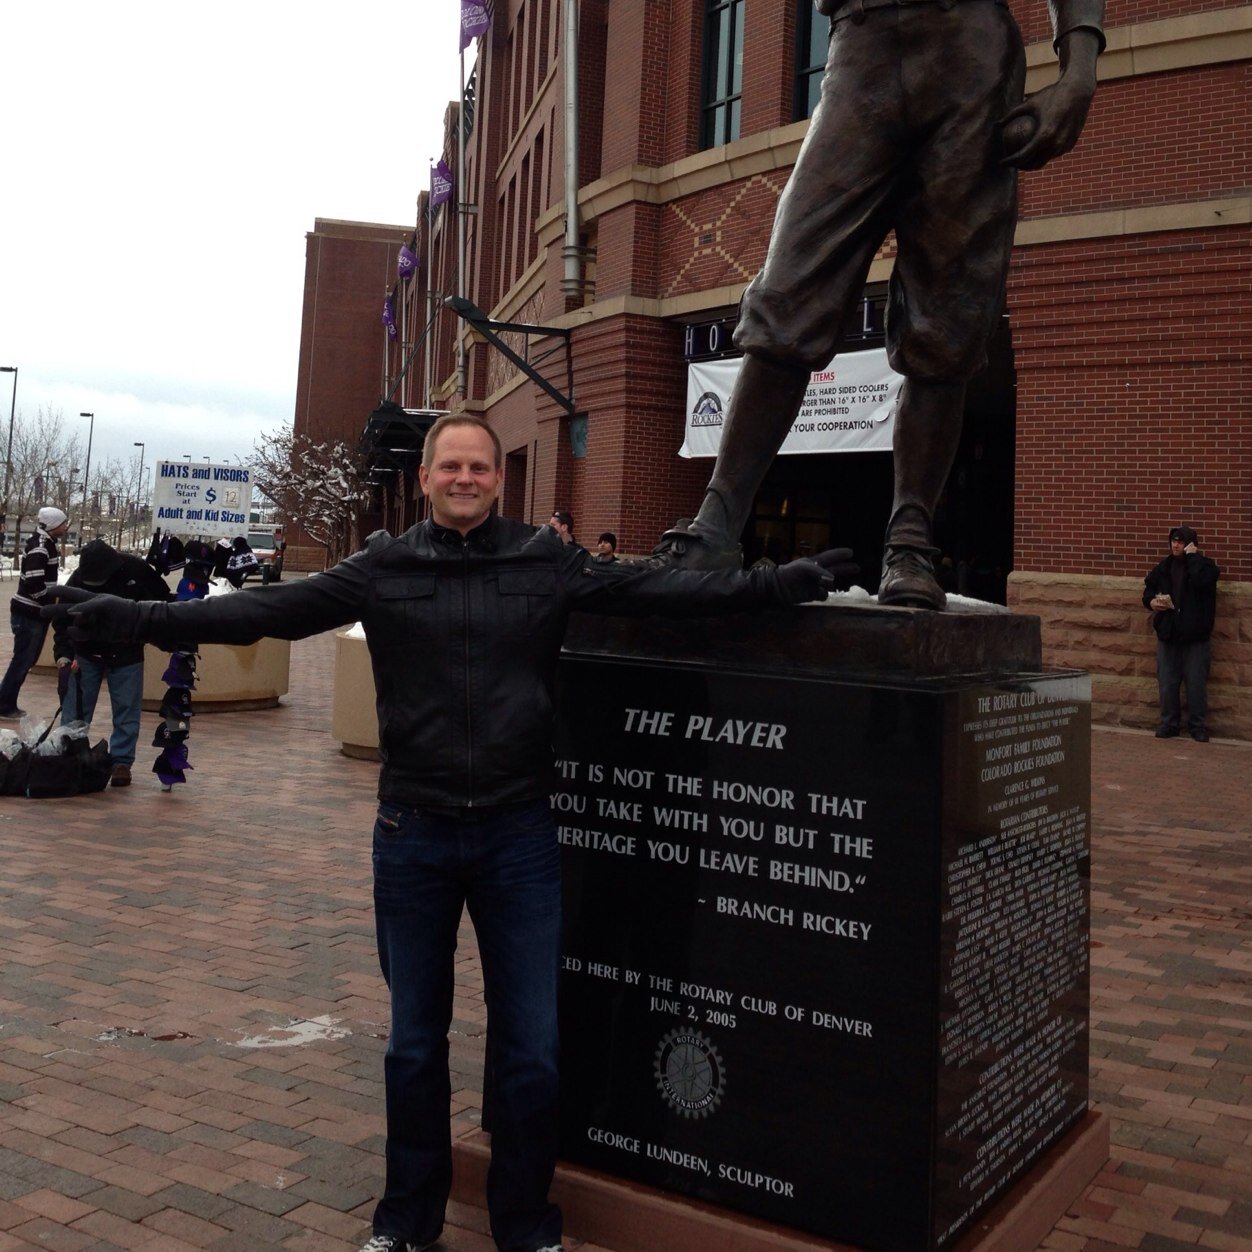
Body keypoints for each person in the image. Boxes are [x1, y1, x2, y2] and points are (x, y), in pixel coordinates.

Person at [46, 415, 847, 1252]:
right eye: (450, 466)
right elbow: (264, 613)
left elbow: (661, 592)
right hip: (414, 835)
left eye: (479, 467)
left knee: (533, 1050)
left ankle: (526, 1225)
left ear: (500, 481)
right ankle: (406, 1222)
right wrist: (133, 616)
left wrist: (775, 582)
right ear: (426, 479)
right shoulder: (383, 567)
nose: (464, 478)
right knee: (415, 1049)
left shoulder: (546, 562)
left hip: (519, 836)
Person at [653, 0, 1105, 613]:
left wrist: (1079, 69)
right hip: (858, 46)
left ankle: (911, 544)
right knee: (789, 289)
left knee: (947, 317)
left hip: (970, 47)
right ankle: (715, 524)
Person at [51, 538, 172, 786]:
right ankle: (71, 757)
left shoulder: (137, 571)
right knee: (75, 710)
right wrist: (64, 654)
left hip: (126, 653)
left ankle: (121, 763)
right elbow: (62, 619)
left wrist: (154, 635)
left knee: (127, 710)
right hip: (85, 653)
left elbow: (162, 605)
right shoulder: (78, 578)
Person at [1142, 526, 1220, 742]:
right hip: (1169, 635)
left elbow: (1200, 581)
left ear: (1190, 544)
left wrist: (1192, 557)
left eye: (1180, 541)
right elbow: (1148, 588)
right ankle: (1169, 724)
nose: (1175, 545)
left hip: (1196, 638)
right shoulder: (1164, 567)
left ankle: (1197, 727)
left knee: (1196, 683)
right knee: (1167, 682)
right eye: (1173, 541)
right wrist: (1151, 602)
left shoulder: (1205, 567)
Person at [0, 506, 69, 719]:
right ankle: (4, 705)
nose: (65, 527)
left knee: (24, 660)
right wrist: (49, 602)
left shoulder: (45, 543)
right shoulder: (41, 547)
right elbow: (34, 582)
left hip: (31, 613)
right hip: (28, 614)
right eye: (63, 523)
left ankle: (6, 702)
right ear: (53, 525)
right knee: (22, 660)